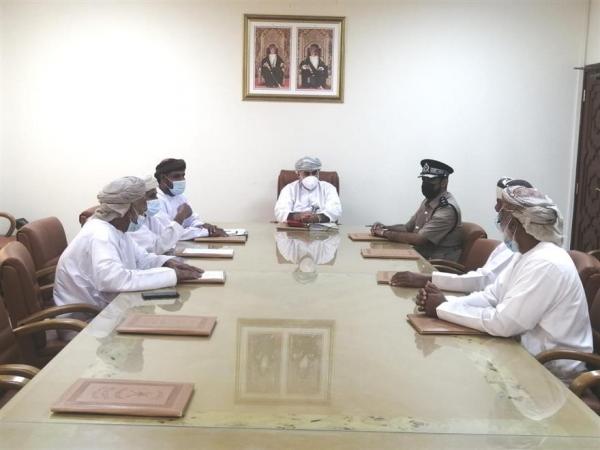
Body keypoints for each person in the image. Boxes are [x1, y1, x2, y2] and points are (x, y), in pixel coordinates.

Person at [416, 186, 592, 382]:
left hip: (552, 374)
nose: (500, 221)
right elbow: (491, 296)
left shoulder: (546, 263)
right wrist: (445, 302)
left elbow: (503, 324)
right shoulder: (525, 254)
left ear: (516, 224)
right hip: (524, 356)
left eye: (503, 216)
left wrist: (442, 308)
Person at [53, 176, 203, 310]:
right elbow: (113, 280)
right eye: (142, 206)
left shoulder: (116, 230)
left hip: (108, 307)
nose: (145, 212)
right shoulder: (100, 234)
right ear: (124, 210)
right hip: (87, 319)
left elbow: (142, 258)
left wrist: (166, 262)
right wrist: (171, 275)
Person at [390, 177, 533, 290]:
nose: (496, 209)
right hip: (465, 294)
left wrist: (428, 282)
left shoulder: (527, 255)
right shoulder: (506, 247)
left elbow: (482, 283)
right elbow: (487, 291)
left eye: (501, 205)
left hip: (436, 264)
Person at [371, 159, 463, 261]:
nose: (425, 183)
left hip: (438, 264)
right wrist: (384, 227)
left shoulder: (446, 209)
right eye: (424, 179)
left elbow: (420, 239)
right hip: (422, 257)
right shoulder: (428, 201)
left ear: (444, 182)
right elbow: (407, 228)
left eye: (430, 180)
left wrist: (384, 233)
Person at [154, 158, 227, 240]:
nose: (182, 180)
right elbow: (169, 234)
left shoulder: (180, 196)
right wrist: (206, 232)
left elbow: (191, 220)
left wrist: (202, 226)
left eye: (183, 175)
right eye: (176, 176)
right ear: (163, 178)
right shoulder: (155, 200)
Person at [128, 175, 186, 254]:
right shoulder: (131, 223)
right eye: (152, 196)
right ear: (137, 199)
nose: (156, 199)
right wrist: (180, 218)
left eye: (156, 195)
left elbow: (168, 240)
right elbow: (157, 248)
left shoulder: (149, 217)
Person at [274, 156, 342, 223]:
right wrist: (297, 216)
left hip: (322, 227)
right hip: (296, 227)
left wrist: (318, 217)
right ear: (298, 174)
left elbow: (335, 210)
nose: (311, 176)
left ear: (318, 172)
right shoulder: (289, 189)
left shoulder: (329, 188)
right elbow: (280, 211)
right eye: (306, 173)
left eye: (314, 173)